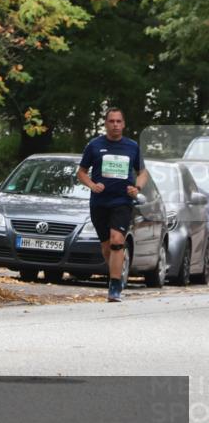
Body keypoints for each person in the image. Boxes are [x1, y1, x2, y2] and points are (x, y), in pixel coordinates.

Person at [75, 107, 148, 302]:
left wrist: (137, 188)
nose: (115, 125)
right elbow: (81, 172)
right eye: (111, 121)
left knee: (117, 241)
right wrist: (92, 185)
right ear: (106, 124)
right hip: (99, 202)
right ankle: (116, 273)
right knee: (107, 246)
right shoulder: (94, 145)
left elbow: (142, 172)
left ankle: (114, 286)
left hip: (122, 201)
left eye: (118, 121)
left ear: (123, 124)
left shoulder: (132, 147)